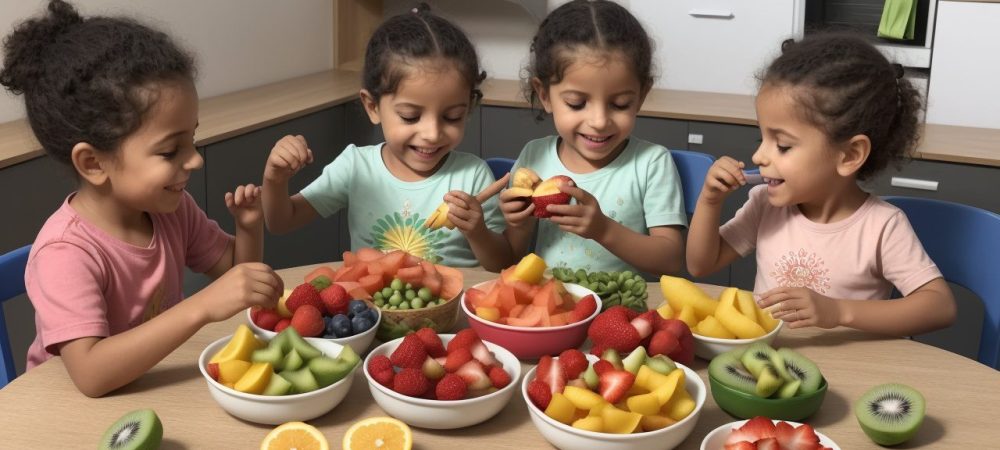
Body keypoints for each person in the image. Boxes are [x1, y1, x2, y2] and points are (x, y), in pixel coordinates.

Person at [0, 0, 283, 397]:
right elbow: (92, 374)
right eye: (170, 151)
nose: (196, 160)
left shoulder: (171, 208)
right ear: (93, 163)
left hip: (152, 388)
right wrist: (200, 307)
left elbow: (238, 280)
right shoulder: (65, 252)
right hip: (73, 415)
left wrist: (248, 229)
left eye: (193, 140)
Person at [686, 33, 956, 336]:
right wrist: (710, 201)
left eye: (783, 146)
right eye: (761, 138)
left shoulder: (881, 226)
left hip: (852, 374)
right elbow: (700, 265)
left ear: (850, 155)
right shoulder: (765, 205)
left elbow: (939, 307)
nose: (759, 156)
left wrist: (838, 311)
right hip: (772, 366)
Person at [262, 4, 511, 271]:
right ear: (373, 107)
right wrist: (274, 179)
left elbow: (502, 265)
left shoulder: (472, 175)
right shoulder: (356, 167)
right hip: (371, 311)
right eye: (409, 116)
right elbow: (281, 222)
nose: (432, 134)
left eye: (452, 117)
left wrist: (478, 232)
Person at [501, 0, 686, 275]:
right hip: (550, 311)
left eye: (620, 104)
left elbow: (670, 260)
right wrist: (518, 224)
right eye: (576, 103)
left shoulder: (651, 163)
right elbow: (508, 260)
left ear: (642, 95)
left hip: (622, 312)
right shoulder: (534, 156)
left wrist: (604, 229)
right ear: (544, 95)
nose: (599, 122)